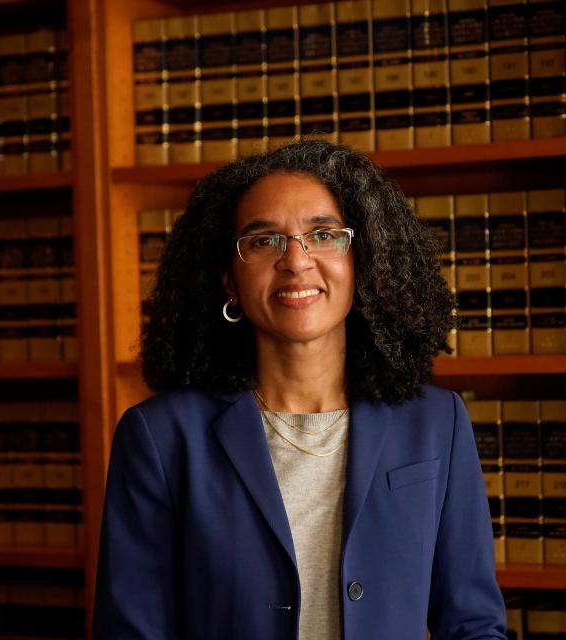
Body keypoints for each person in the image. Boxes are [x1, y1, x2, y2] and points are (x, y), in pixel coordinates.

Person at [94, 140, 506, 639]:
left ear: (362, 260)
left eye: (324, 234)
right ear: (229, 279)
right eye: (264, 240)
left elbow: (473, 625)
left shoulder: (438, 424)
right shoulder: (160, 438)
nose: (296, 261)